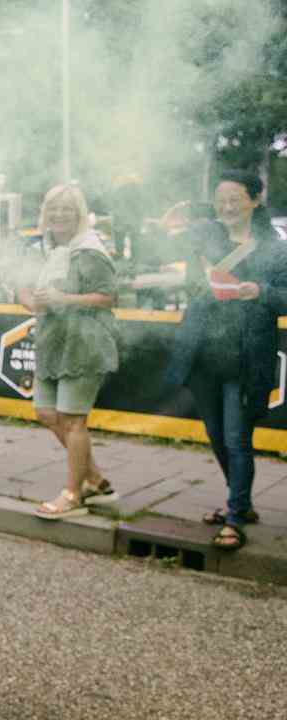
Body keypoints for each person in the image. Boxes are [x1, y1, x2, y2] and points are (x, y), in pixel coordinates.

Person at [166, 171, 287, 550]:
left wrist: (259, 291)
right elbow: (184, 276)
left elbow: (284, 297)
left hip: (246, 357)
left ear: (254, 200)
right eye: (221, 199)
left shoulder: (274, 247)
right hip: (204, 354)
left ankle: (235, 517)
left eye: (235, 198)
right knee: (217, 436)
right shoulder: (207, 238)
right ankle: (242, 503)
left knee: (237, 439)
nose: (227, 206)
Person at [20, 184, 119, 519]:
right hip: (52, 341)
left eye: (67, 209)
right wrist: (29, 297)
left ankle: (73, 495)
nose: (59, 215)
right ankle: (95, 480)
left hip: (84, 343)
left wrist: (63, 300)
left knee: (73, 420)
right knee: (47, 414)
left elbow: (107, 297)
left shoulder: (90, 250)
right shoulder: (45, 249)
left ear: (79, 213)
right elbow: (28, 291)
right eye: (53, 209)